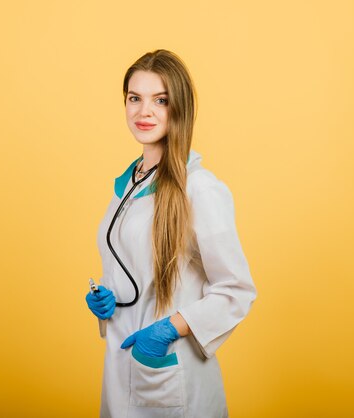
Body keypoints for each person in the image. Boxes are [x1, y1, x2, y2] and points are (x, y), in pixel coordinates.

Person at [86, 49, 257, 418]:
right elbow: (136, 269)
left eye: (159, 100)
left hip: (167, 370)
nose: (143, 112)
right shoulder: (127, 186)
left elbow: (236, 289)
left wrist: (168, 329)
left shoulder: (200, 189)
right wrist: (109, 297)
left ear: (179, 108)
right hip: (122, 367)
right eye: (135, 98)